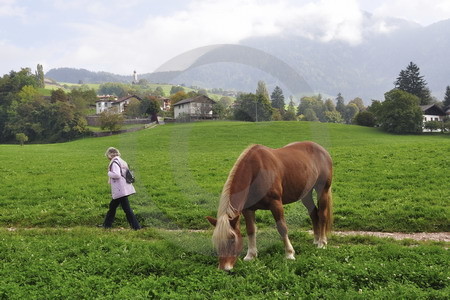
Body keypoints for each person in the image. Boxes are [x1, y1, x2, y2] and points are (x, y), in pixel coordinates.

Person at [101, 147, 141, 230]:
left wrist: (109, 173)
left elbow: (116, 175)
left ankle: (136, 227)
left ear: (110, 155)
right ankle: (106, 225)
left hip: (120, 189)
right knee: (112, 207)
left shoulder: (114, 162)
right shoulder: (122, 161)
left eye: (107, 156)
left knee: (127, 209)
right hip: (124, 187)